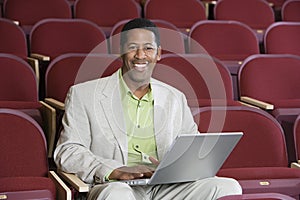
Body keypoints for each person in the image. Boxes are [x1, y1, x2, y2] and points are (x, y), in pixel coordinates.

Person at [54, 18, 242, 200]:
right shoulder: (83, 94)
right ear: (120, 51)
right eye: (132, 48)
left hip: (165, 187)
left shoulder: (175, 97)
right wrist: (115, 171)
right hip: (116, 186)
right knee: (117, 195)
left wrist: (176, 166)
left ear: (158, 53)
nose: (140, 55)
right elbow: (67, 151)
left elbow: (191, 147)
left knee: (227, 187)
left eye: (148, 48)